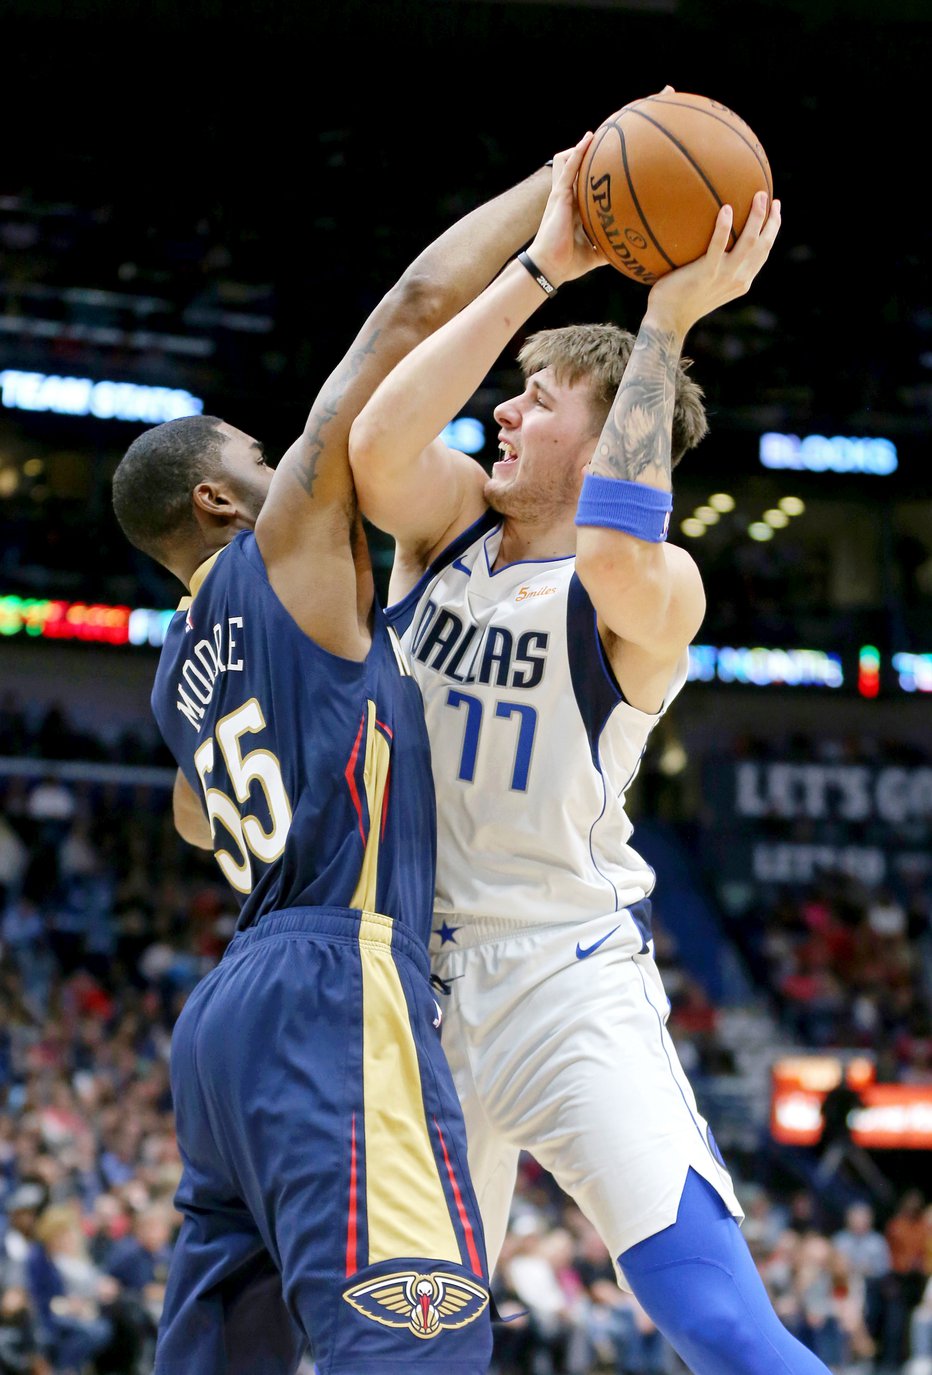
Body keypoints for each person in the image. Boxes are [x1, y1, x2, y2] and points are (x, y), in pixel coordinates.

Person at [348, 132, 836, 1375]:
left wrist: (664, 320)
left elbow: (614, 547)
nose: (500, 409)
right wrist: (540, 269)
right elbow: (374, 451)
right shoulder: (449, 528)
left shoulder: (652, 589)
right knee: (405, 1351)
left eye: (535, 395)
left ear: (609, 430)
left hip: (567, 986)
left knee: (715, 1321)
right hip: (418, 993)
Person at [110, 153, 561, 1375]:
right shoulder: (282, 549)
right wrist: (550, 226)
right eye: (258, 453)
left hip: (226, 1025)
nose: (281, 465)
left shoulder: (170, 674)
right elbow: (409, 311)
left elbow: (199, 823)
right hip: (332, 980)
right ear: (215, 498)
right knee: (414, 1349)